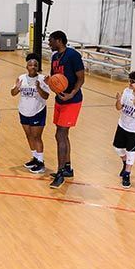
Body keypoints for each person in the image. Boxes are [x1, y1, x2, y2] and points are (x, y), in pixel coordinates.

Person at [47, 31, 85, 189]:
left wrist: (72, 93)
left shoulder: (73, 55)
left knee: (60, 134)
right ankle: (68, 168)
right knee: (63, 134)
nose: (49, 43)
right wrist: (51, 84)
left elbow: (81, 78)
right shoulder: (55, 57)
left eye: (51, 40)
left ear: (59, 40)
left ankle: (60, 173)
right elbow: (55, 79)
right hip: (60, 99)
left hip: (72, 100)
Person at [12, 53, 51, 174]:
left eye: (35, 65)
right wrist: (17, 87)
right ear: (26, 66)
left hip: (38, 111)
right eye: (30, 65)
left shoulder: (42, 79)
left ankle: (41, 161)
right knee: (28, 135)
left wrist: (39, 88)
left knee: (36, 137)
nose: (33, 67)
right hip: (23, 111)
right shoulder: (21, 78)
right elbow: (13, 93)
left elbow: (46, 96)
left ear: (38, 67)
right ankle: (35, 157)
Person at [112, 71, 135, 189]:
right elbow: (118, 108)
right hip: (122, 125)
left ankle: (127, 174)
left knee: (130, 152)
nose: (130, 83)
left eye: (132, 82)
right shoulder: (126, 91)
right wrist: (119, 100)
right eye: (129, 80)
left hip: (134, 130)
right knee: (117, 148)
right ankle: (125, 163)